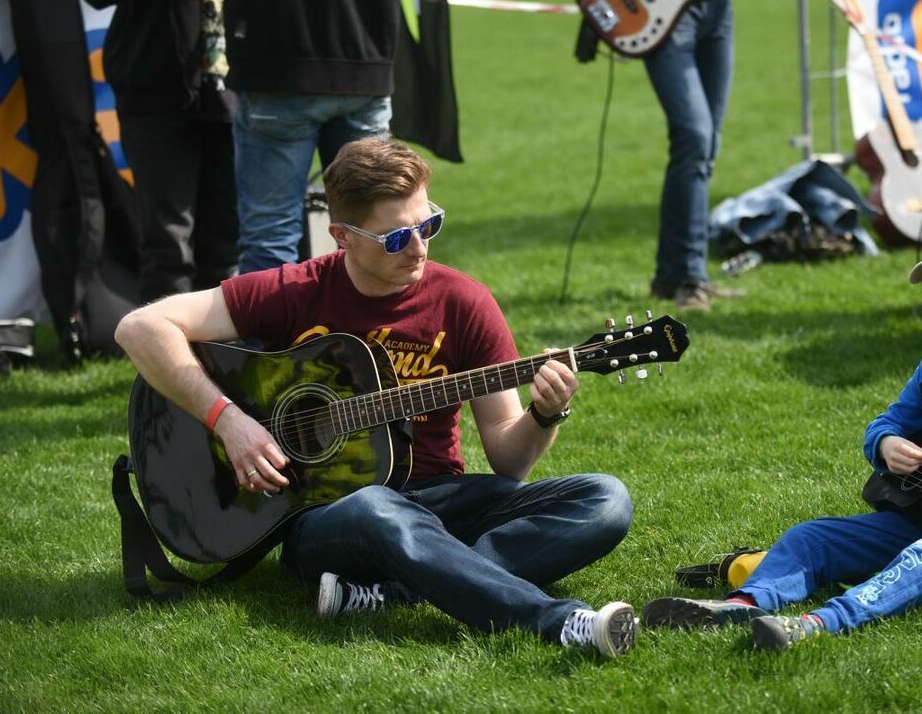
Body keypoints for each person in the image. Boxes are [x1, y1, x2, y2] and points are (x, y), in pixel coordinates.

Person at [114, 138, 638, 658]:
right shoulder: (295, 290)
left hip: (442, 500)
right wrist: (228, 421)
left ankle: (395, 591)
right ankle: (560, 621)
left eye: (428, 224)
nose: (419, 247)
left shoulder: (465, 302)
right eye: (396, 238)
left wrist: (546, 413)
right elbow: (140, 327)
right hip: (328, 519)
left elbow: (507, 459)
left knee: (605, 499)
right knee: (375, 507)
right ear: (341, 236)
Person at [640, 227, 922, 650]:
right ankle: (744, 605)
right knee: (811, 537)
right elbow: (887, 423)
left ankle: (817, 624)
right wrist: (885, 446)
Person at [564, 0, 832, 312]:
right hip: (654, 5)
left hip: (711, 5)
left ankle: (670, 276)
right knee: (694, 136)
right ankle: (691, 277)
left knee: (703, 146)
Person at [182, 0, 438, 273]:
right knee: (374, 234)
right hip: (362, 62)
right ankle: (364, 336)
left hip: (275, 67)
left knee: (270, 242)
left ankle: (281, 338)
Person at [76, 0, 238, 302]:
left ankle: (226, 361)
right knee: (168, 246)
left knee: (226, 246)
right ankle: (165, 363)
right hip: (156, 96)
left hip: (232, 93)